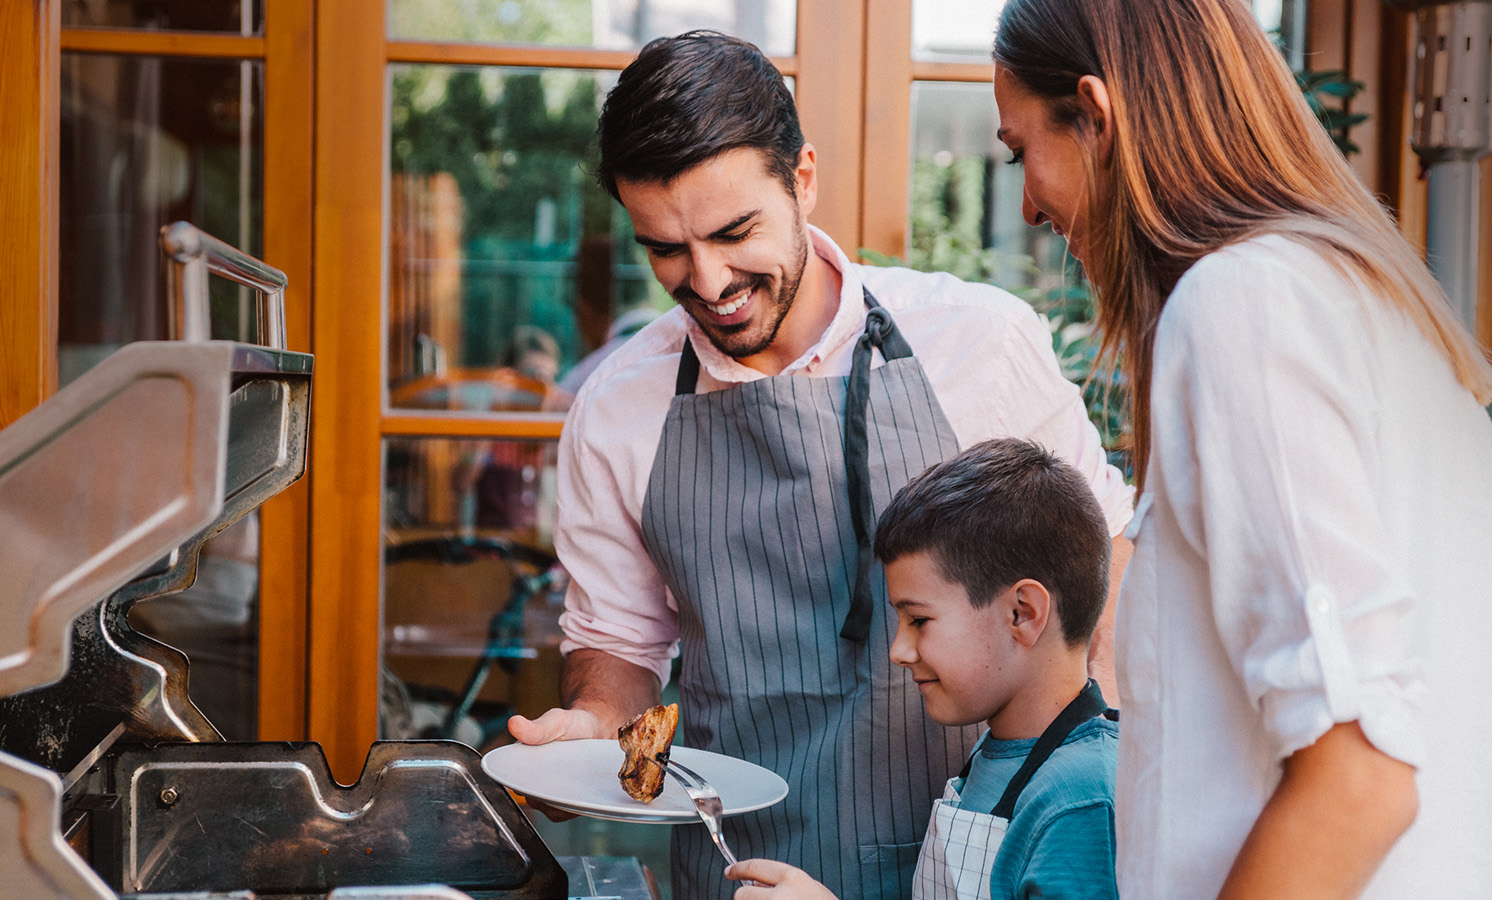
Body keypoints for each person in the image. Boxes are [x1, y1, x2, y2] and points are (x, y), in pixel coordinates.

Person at [508, 31, 1134, 900]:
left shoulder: (977, 344)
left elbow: (1105, 561)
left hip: (979, 858)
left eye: (735, 232)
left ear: (802, 179)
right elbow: (618, 642)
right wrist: (593, 726)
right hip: (739, 872)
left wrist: (1077, 792)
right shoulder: (618, 406)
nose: (710, 280)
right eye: (666, 249)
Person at [988, 0, 1492, 897]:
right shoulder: (1370, 306)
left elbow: (1361, 773)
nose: (1026, 202)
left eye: (1020, 148)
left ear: (1097, 118)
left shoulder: (1241, 307)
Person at [726, 438, 1119, 900]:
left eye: (918, 620)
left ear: (1023, 614)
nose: (898, 650)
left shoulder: (1081, 799)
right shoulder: (995, 754)